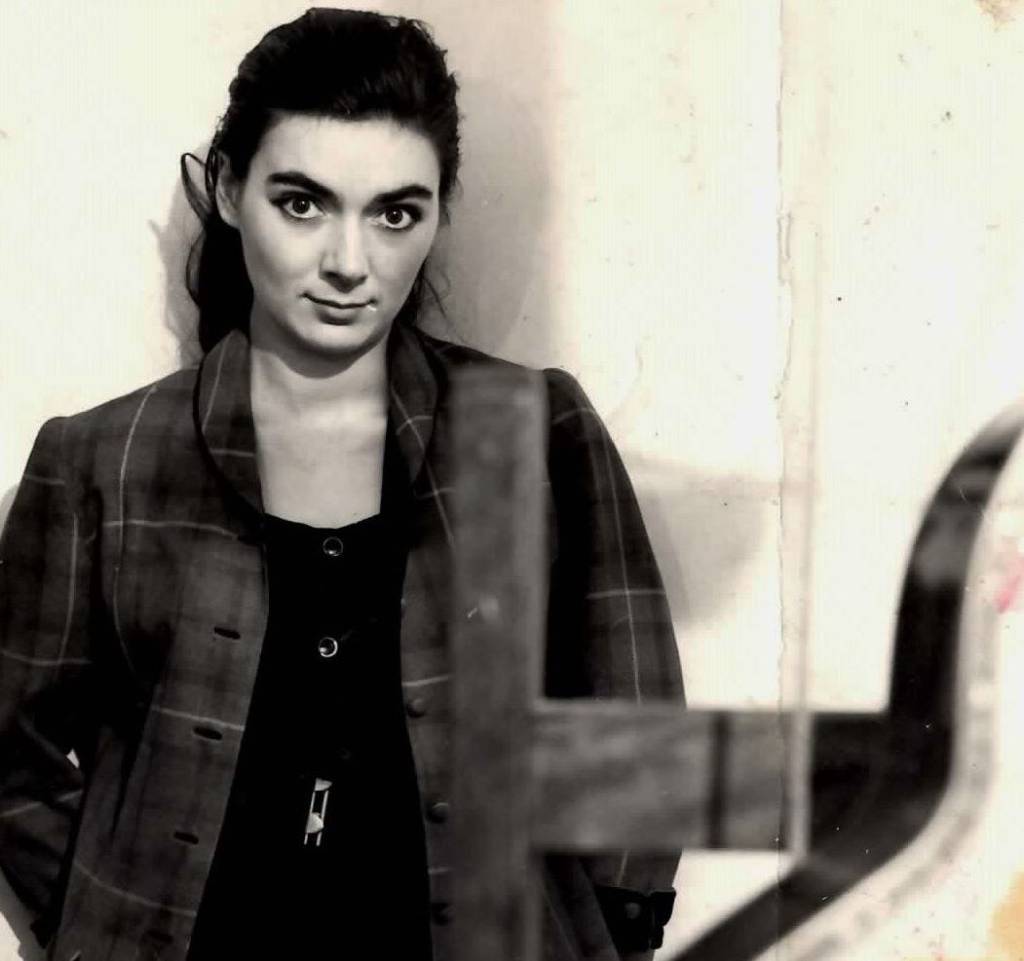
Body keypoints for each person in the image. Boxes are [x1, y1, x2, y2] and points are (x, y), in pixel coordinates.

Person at [0, 8, 684, 960]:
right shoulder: (98, 460)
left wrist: (611, 922)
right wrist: (109, 918)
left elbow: (638, 731)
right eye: (303, 203)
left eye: (395, 213)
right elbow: (9, 752)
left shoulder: (536, 432)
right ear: (230, 189)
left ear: (438, 213)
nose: (349, 264)